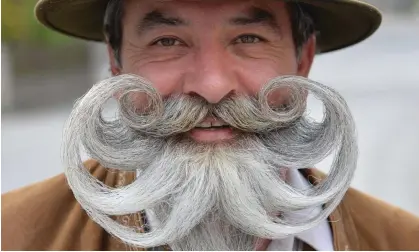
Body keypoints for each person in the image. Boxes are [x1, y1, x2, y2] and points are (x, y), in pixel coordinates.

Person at [2, 0, 419, 250]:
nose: (212, 86)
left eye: (249, 39)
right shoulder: (14, 234)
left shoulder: (401, 241)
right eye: (167, 42)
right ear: (116, 64)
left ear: (303, 60)